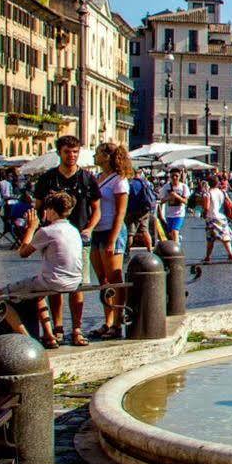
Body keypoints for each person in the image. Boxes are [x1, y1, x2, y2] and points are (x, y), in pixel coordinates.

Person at [32, 136, 99, 341]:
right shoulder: (48, 178)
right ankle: (59, 327)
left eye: (75, 152)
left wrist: (89, 228)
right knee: (55, 285)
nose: (72, 156)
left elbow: (96, 210)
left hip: (79, 238)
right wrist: (41, 224)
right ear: (59, 153)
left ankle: (77, 329)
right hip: (53, 238)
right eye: (67, 152)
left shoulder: (87, 178)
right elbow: (37, 207)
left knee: (77, 285)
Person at [4, 191, 85, 347]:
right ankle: (49, 335)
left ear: (52, 211)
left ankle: (28, 340)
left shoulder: (47, 231)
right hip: (75, 282)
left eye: (46, 210)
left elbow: (23, 253)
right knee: (39, 295)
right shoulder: (74, 230)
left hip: (53, 282)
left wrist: (31, 228)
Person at [86, 142, 129, 336]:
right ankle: (107, 320)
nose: (95, 156)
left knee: (114, 279)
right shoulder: (97, 178)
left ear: (107, 156)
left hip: (113, 231)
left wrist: (112, 239)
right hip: (97, 231)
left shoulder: (119, 180)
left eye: (97, 153)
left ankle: (118, 322)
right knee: (103, 280)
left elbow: (121, 213)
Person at [202, 172, 232, 262]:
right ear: (217, 183)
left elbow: (206, 207)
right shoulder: (223, 192)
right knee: (225, 238)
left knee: (210, 239)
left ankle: (208, 256)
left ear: (209, 184)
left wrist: (204, 213)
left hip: (211, 218)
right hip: (222, 218)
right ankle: (230, 254)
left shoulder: (208, 193)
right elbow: (231, 204)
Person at [161, 168, 190, 240]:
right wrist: (169, 197)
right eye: (172, 176)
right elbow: (161, 200)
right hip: (169, 214)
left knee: (175, 231)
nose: (174, 178)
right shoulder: (166, 187)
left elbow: (186, 201)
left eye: (176, 176)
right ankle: (177, 242)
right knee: (170, 234)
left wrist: (177, 196)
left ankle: (177, 248)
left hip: (179, 214)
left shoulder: (183, 187)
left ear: (179, 176)